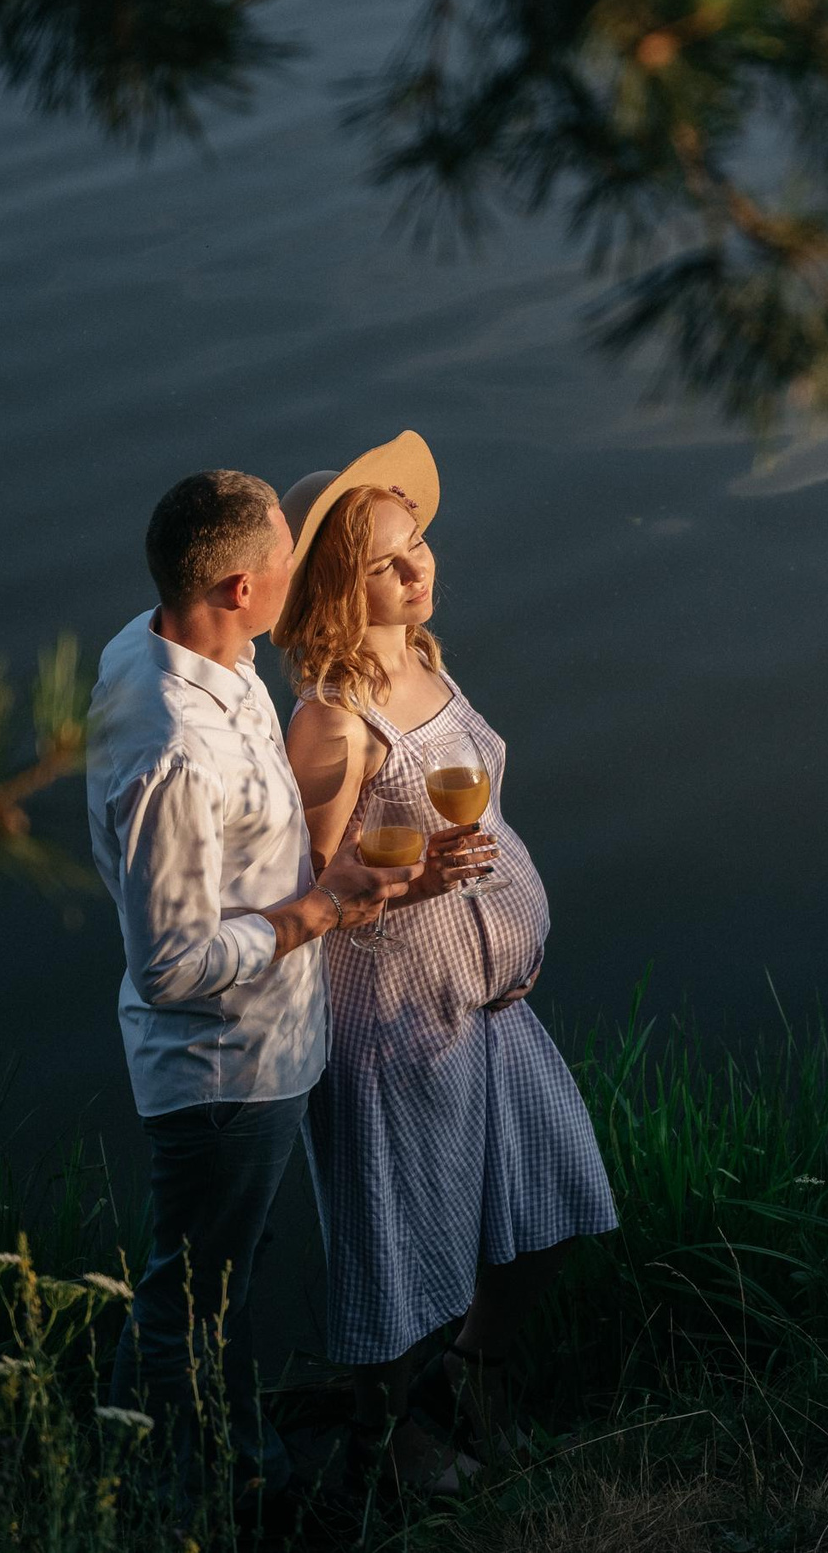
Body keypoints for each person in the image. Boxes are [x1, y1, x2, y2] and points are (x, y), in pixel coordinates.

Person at [86, 469, 450, 1508]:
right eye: (290, 559)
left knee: (202, 1273)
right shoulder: (170, 748)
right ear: (242, 586)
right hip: (222, 1069)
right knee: (198, 1299)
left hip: (273, 1040)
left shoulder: (201, 647)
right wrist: (325, 906)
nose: (307, 570)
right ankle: (230, 1493)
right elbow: (171, 963)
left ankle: (120, 1456)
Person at [272, 432, 615, 1493]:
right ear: (341, 584)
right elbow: (310, 895)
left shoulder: (420, 653)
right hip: (393, 1018)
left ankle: (465, 1375)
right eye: (388, 562)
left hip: (488, 1002)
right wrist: (417, 884)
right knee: (399, 1252)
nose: (419, 568)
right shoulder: (333, 720)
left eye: (417, 543)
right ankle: (393, 1444)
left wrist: (492, 927)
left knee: (558, 1196)